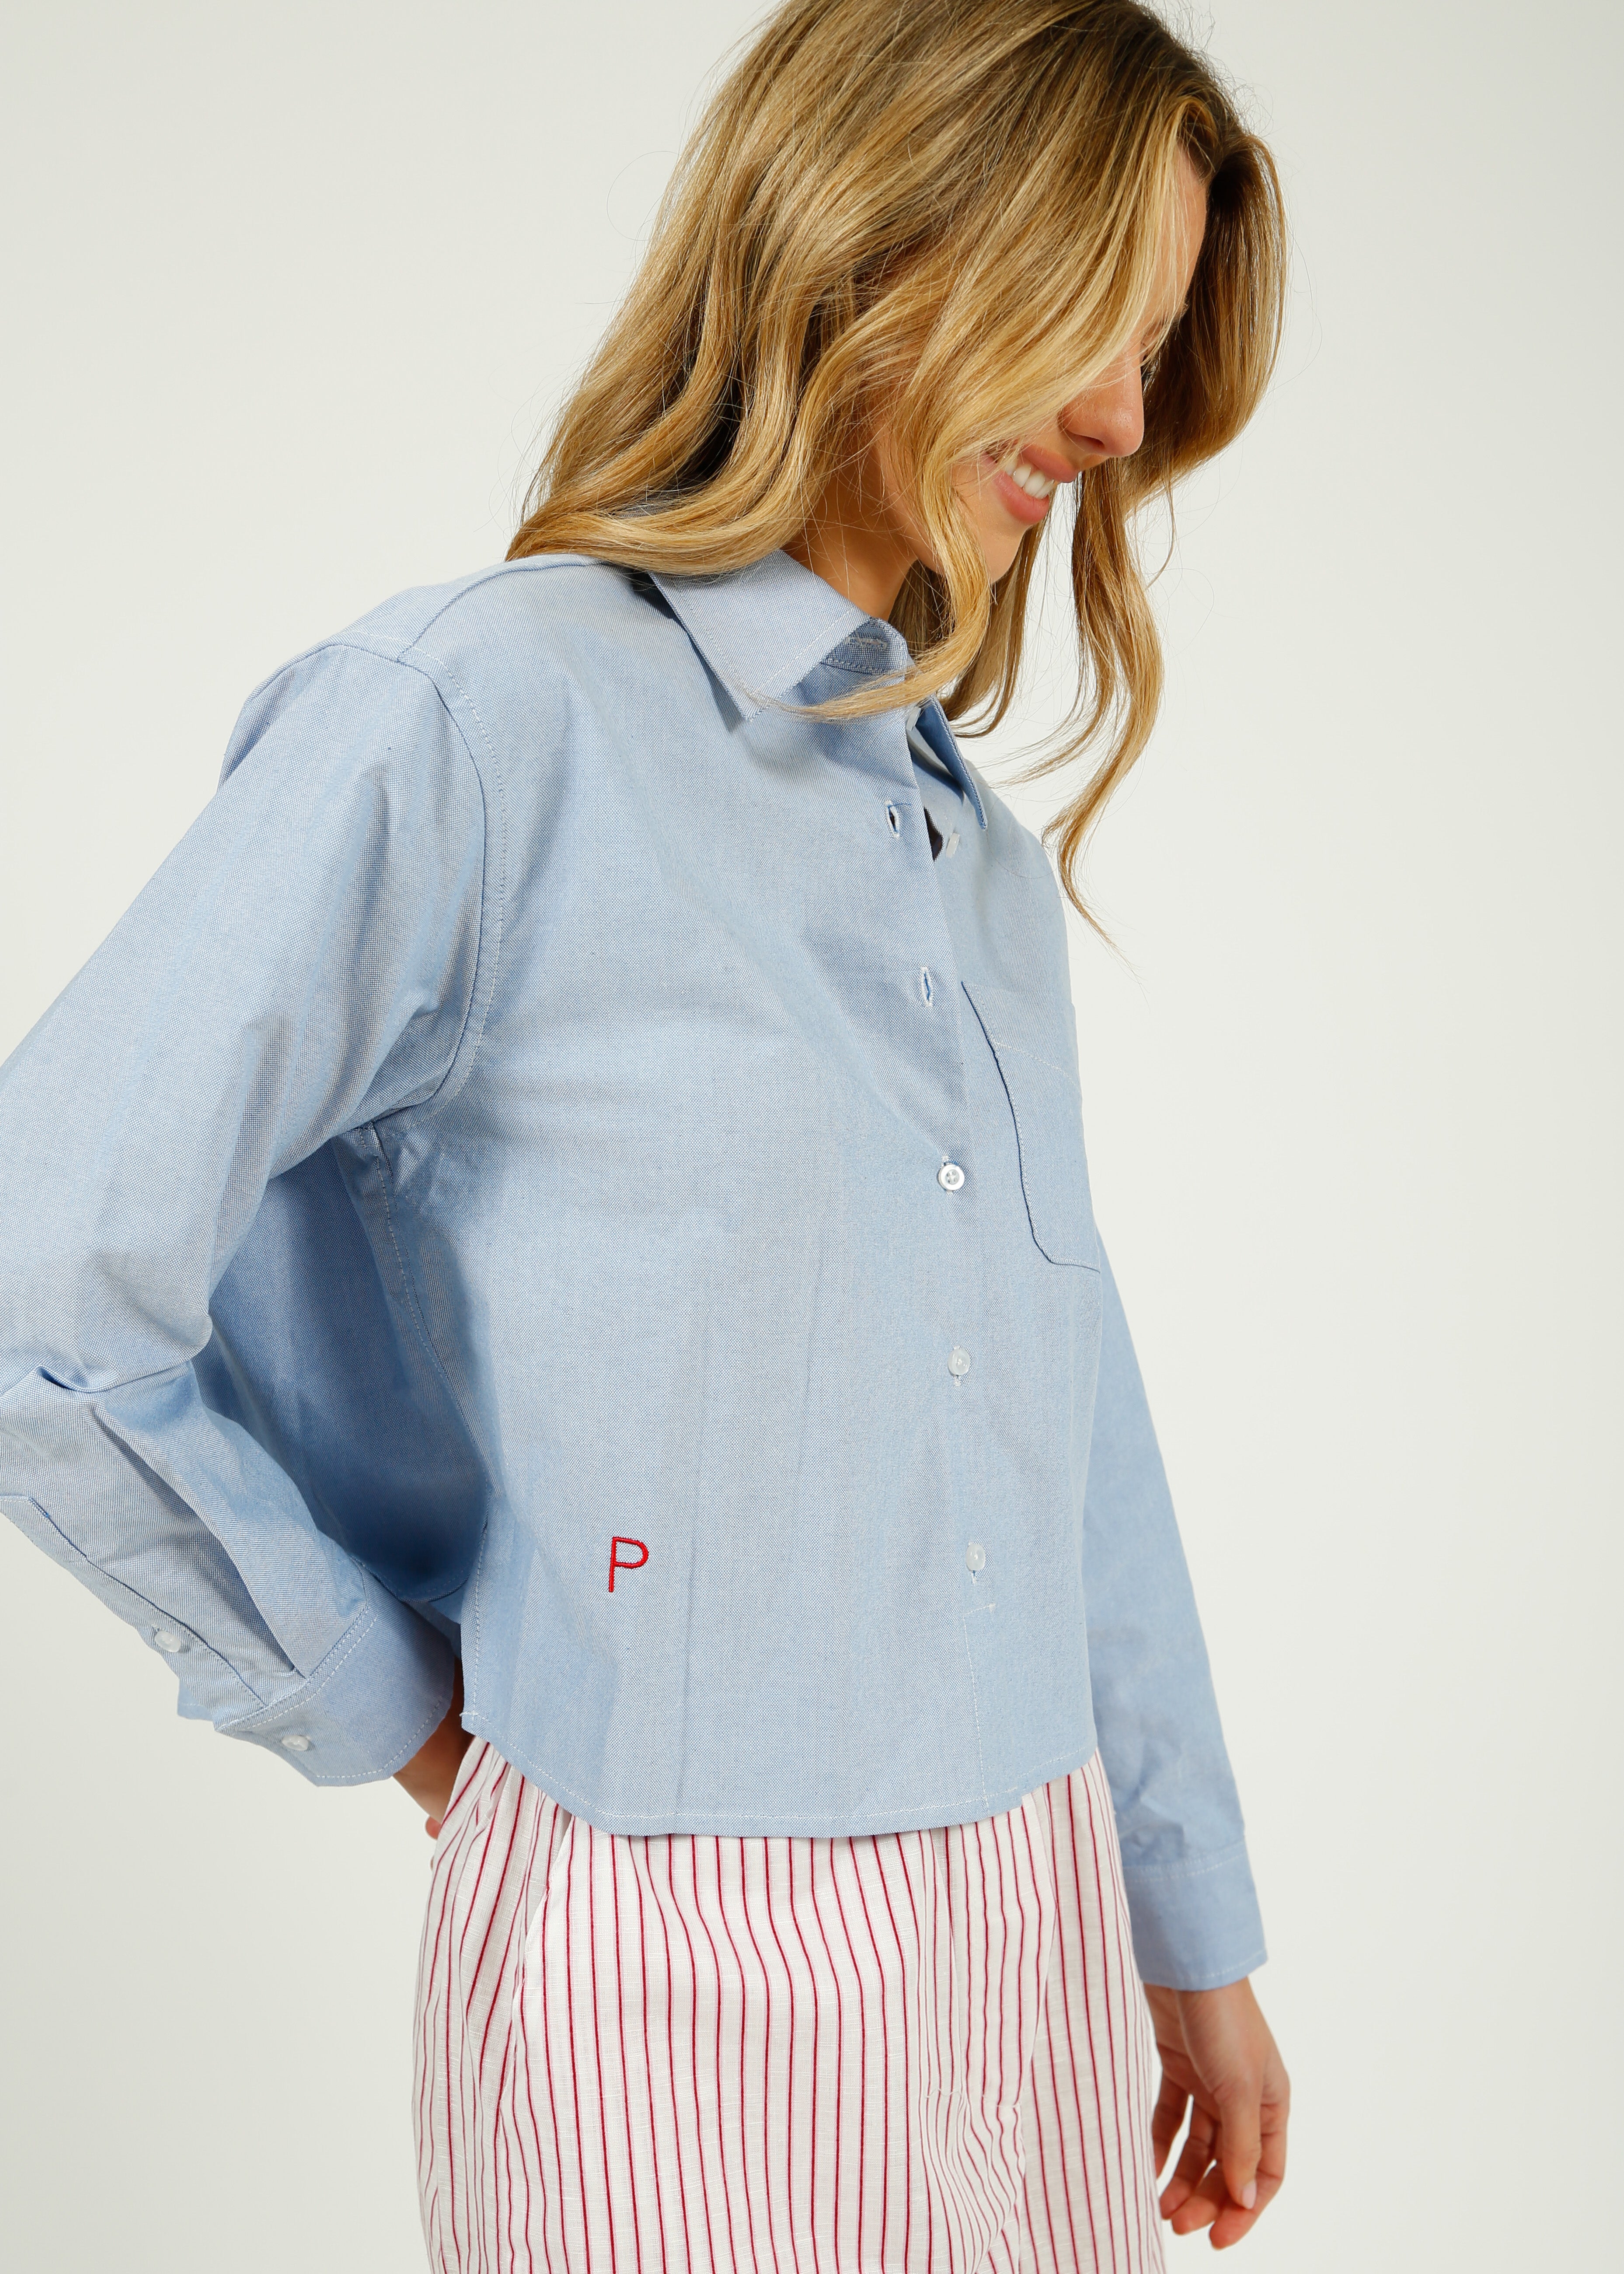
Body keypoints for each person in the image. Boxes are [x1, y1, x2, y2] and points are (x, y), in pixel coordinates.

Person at [0, 1, 1292, 2265]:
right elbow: (43, 1276)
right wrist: (387, 1705)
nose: (1116, 414)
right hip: (673, 1943)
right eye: (1093, 315)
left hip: (1039, 1910)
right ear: (872, 242)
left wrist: (1184, 1921)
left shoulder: (951, 834)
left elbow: (1061, 1415)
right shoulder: (483, 709)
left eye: (1159, 341)